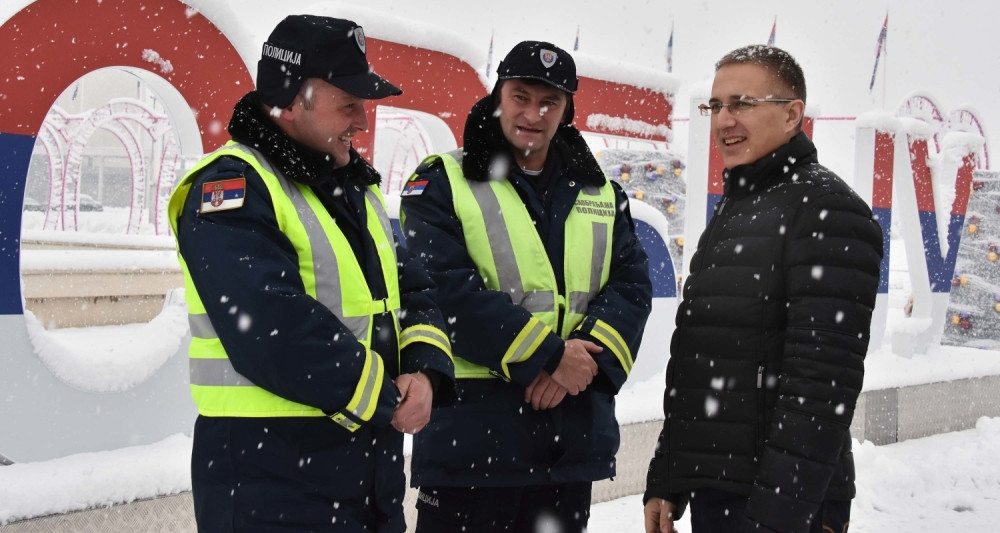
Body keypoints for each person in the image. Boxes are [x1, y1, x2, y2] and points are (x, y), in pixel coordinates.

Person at [167, 14, 455, 532]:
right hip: (268, 481)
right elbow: (270, 327)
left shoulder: (355, 190)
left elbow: (412, 291)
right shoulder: (230, 188)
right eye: (349, 103)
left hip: (367, 478)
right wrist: (389, 398)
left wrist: (427, 371)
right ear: (293, 98)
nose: (363, 121)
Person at [399, 41, 653, 533]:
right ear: (499, 96)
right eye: (520, 96)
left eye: (549, 102)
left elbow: (631, 286)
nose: (532, 113)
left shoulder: (602, 191)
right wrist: (549, 356)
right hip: (471, 446)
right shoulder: (442, 180)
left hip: (568, 444)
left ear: (567, 109)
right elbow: (442, 289)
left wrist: (578, 363)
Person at [643, 45, 883, 533]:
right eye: (715, 106)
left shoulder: (827, 210)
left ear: (793, 114)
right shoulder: (738, 208)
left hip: (781, 504)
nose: (723, 120)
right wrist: (668, 475)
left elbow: (820, 383)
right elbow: (699, 360)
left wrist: (778, 515)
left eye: (742, 104)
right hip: (720, 491)